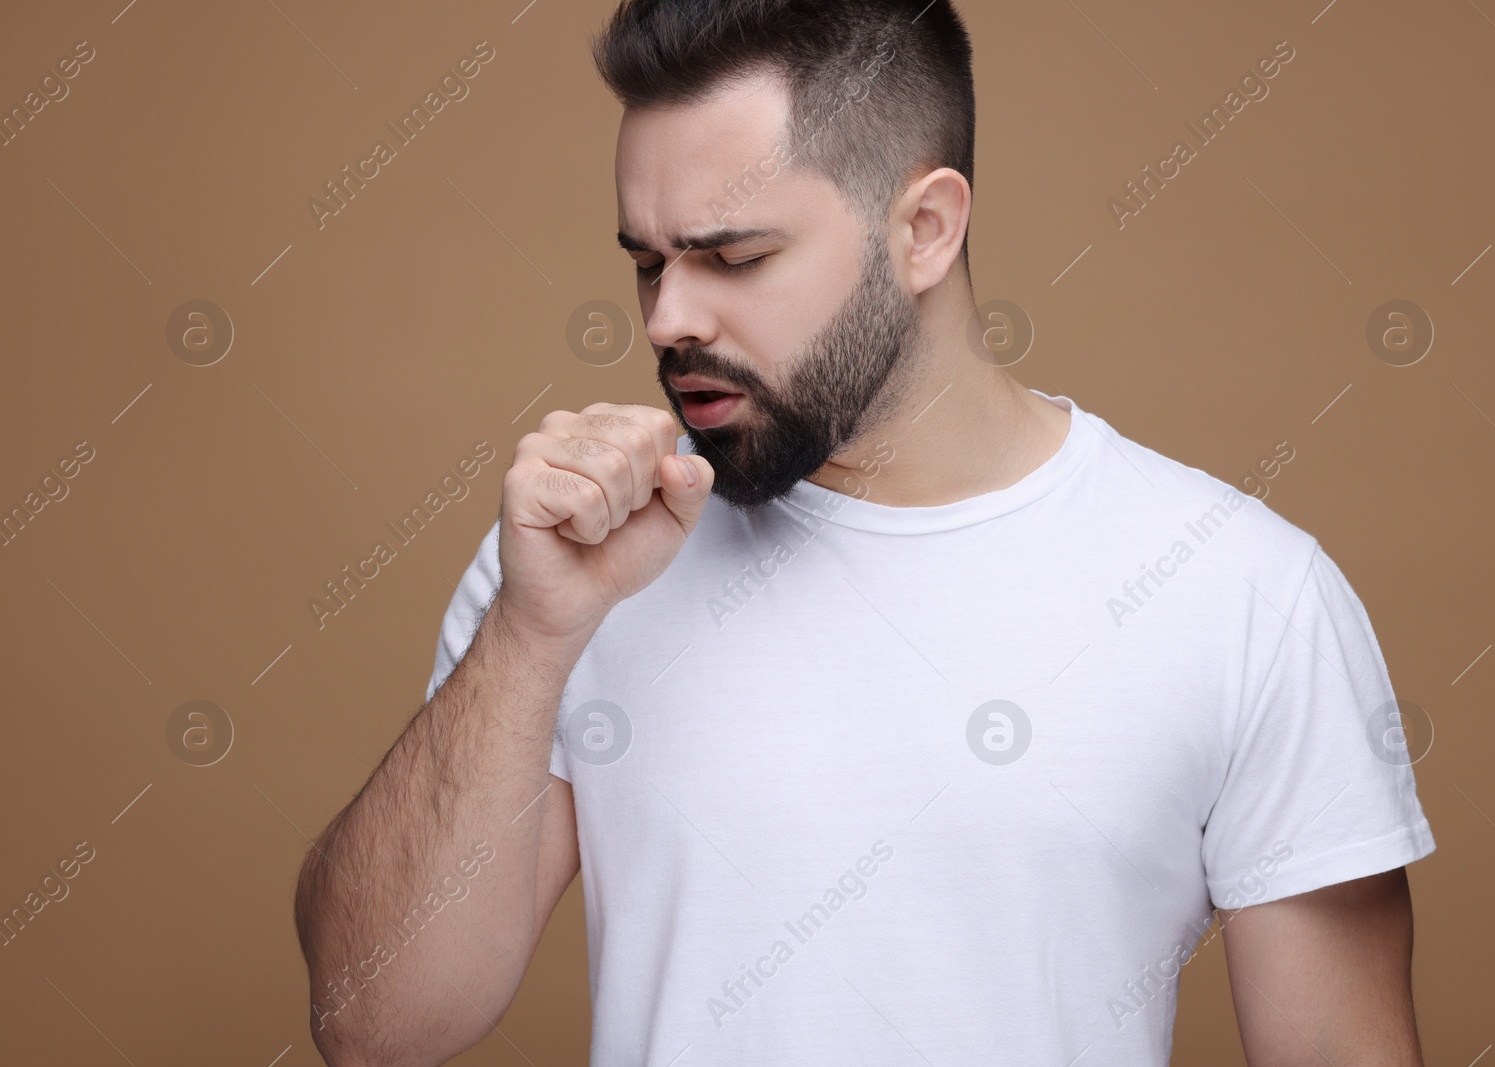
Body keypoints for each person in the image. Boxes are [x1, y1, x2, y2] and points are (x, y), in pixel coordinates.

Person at [294, 2, 1437, 1064]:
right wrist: (532, 632)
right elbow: (371, 1021)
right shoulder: (575, 565)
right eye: (646, 261)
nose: (667, 317)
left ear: (925, 228)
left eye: (732, 256)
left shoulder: (1241, 594)